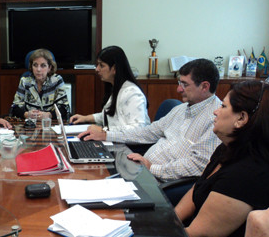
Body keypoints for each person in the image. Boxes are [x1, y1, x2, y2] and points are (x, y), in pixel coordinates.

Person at [79, 59, 222, 182]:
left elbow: (198, 166)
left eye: (185, 84)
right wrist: (106, 135)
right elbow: (147, 132)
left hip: (161, 182)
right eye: (180, 83)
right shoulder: (181, 109)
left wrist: (152, 168)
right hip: (142, 170)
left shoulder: (216, 119)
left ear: (204, 86)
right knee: (87, 176)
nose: (179, 89)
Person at [174, 81, 269, 237]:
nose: (215, 112)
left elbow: (196, 234)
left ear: (241, 118)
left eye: (223, 106)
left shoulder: (246, 176)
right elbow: (198, 188)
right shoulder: (228, 147)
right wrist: (170, 220)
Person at [70, 46, 150, 133]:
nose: (97, 69)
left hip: (130, 146)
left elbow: (138, 129)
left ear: (114, 68)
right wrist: (85, 118)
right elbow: (111, 116)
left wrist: (103, 130)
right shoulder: (117, 87)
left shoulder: (132, 93)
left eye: (101, 65)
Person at [11, 49, 70, 120]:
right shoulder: (25, 81)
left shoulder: (57, 81)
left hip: (51, 125)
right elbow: (15, 108)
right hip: (30, 125)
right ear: (31, 67)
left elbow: (64, 108)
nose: (38, 69)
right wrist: (26, 114)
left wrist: (49, 115)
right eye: (35, 65)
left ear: (49, 68)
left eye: (43, 65)